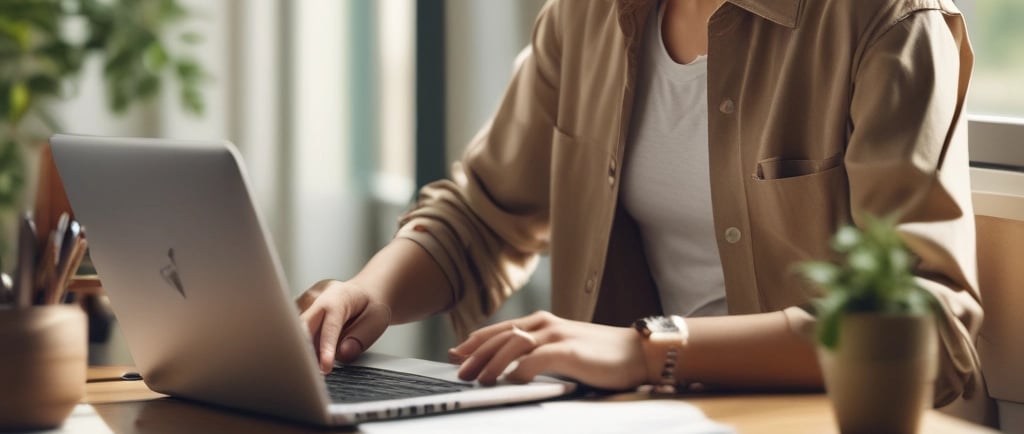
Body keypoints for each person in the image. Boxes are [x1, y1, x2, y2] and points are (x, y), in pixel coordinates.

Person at [298, 0, 981, 406]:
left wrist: (649, 351)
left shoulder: (885, 18)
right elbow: (483, 213)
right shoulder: (588, 15)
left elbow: (926, 326)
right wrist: (370, 293)